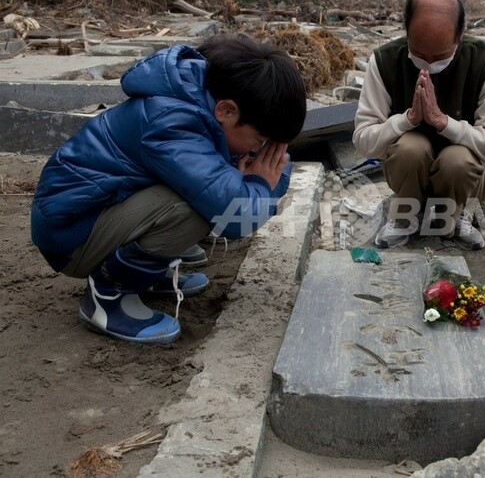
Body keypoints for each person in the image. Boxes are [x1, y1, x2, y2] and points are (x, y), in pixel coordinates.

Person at [30, 34, 307, 344]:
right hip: (70, 235)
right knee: (196, 209)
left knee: (209, 188)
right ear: (227, 111)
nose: (265, 150)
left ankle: (145, 275)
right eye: (261, 140)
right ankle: (108, 296)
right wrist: (261, 184)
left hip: (96, 210)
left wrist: (263, 171)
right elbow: (234, 218)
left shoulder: (200, 100)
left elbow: (253, 171)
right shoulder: (173, 124)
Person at [353, 0, 485, 250]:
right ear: (405, 29)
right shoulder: (383, 60)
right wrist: (407, 119)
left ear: (460, 34)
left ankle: (457, 214)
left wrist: (444, 123)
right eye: (417, 53)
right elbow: (363, 143)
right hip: (409, 168)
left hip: (465, 174)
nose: (426, 66)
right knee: (410, 147)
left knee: (457, 159)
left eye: (439, 57)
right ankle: (406, 215)